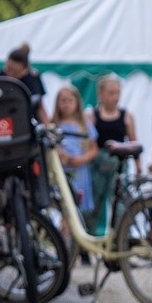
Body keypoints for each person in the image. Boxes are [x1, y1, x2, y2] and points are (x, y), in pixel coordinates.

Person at [88, 73, 136, 235]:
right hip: (98, 166)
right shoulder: (92, 116)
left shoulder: (126, 116)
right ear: (101, 94)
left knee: (121, 206)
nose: (115, 97)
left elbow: (133, 142)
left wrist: (139, 166)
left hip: (119, 165)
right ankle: (91, 239)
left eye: (117, 93)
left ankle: (121, 239)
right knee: (94, 205)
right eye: (111, 93)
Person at [51, 85, 97, 221]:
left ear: (77, 103)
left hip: (80, 172)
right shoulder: (54, 124)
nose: (66, 104)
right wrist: (60, 155)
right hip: (61, 172)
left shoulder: (84, 124)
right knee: (63, 206)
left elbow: (94, 148)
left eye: (70, 100)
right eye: (63, 101)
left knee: (78, 207)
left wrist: (81, 159)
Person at [0, 43, 48, 122]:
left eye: (15, 72)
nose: (10, 75)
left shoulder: (33, 79)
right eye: (8, 69)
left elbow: (40, 107)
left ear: (25, 70)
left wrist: (48, 125)